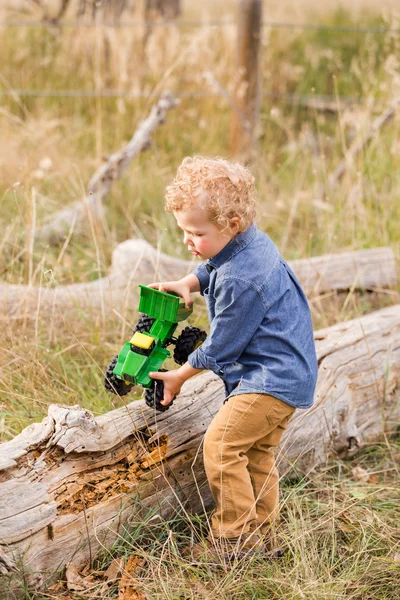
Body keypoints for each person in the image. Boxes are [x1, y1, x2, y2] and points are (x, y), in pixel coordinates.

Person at [148, 155, 318, 560]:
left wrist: (178, 376)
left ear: (232, 223)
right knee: (255, 452)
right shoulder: (249, 242)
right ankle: (262, 536)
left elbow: (223, 346)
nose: (189, 241)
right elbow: (215, 262)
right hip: (290, 372)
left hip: (270, 379)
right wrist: (189, 281)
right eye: (184, 231)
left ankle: (233, 540)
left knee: (222, 446)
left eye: (196, 232)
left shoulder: (242, 280)